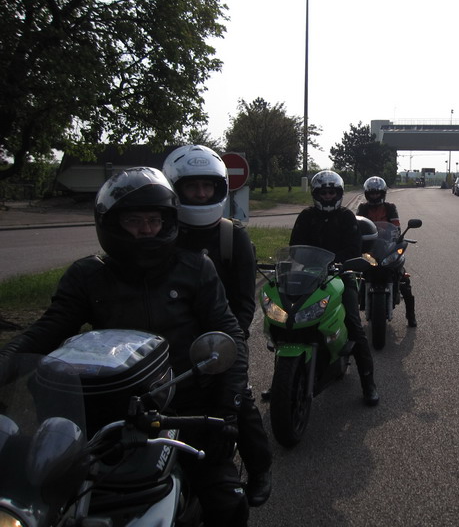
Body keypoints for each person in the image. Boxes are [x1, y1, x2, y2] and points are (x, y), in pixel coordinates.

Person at [0, 167, 250, 526]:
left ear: (168, 222)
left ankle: (256, 473)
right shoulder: (88, 275)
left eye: (154, 220)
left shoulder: (196, 269)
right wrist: (6, 360)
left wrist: (227, 409)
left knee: (227, 502)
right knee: (41, 495)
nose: (146, 230)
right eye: (134, 220)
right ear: (111, 223)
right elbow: (45, 332)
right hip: (104, 411)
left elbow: (228, 334)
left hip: (185, 405)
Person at [163, 144, 273, 507]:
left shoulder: (232, 236)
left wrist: (230, 341)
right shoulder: (166, 233)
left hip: (222, 339)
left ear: (219, 189)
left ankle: (260, 469)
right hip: (175, 339)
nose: (200, 193)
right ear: (176, 189)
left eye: (207, 186)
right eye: (192, 186)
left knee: (239, 401)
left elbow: (244, 298)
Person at [289, 170, 379, 406]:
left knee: (354, 324)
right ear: (316, 194)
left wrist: (335, 263)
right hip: (309, 276)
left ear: (338, 194)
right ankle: (282, 379)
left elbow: (354, 248)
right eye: (324, 193)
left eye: (332, 192)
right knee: (289, 321)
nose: (328, 196)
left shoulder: (347, 217)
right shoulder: (306, 217)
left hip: (341, 274)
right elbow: (294, 246)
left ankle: (368, 383)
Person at [356, 176, 417, 328]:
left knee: (403, 278)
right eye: (371, 193)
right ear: (367, 194)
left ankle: (411, 315)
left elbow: (396, 227)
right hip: (368, 247)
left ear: (382, 193)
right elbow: (356, 226)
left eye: (377, 193)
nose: (374, 196)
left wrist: (396, 237)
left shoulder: (390, 208)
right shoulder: (362, 208)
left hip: (385, 245)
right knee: (352, 278)